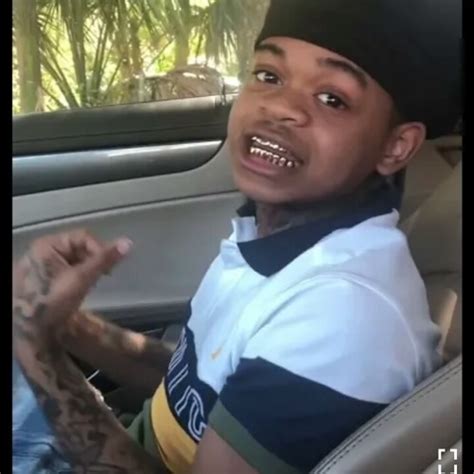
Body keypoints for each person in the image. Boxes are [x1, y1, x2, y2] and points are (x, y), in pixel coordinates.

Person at [12, 0, 461, 472]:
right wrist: (66, 324)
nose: (280, 106)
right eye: (269, 75)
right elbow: (201, 386)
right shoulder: (272, 239)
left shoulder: (344, 314)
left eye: (333, 99)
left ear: (395, 147)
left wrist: (35, 347)